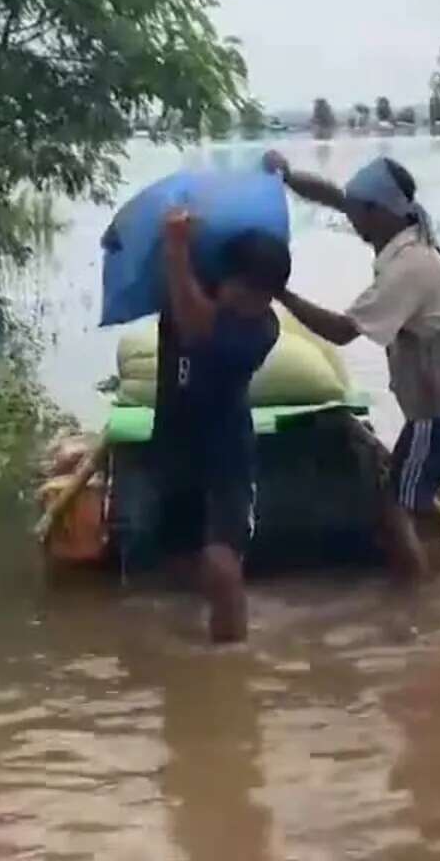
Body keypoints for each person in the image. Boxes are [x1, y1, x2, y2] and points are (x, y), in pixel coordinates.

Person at [260, 151, 440, 576]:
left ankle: (417, 609)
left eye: (359, 212)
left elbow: (342, 330)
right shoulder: (409, 233)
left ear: (380, 212)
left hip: (435, 409)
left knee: (393, 509)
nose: (352, 220)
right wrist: (289, 176)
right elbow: (336, 198)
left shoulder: (408, 268)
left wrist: (281, 294)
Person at [150, 207, 289, 642]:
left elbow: (195, 328)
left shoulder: (260, 331)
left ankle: (230, 672)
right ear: (225, 280)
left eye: (266, 296)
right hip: (175, 449)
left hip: (226, 458)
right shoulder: (190, 291)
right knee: (178, 565)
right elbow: (183, 309)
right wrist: (179, 249)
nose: (256, 305)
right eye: (249, 292)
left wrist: (176, 249)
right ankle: (192, 658)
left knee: (222, 567)